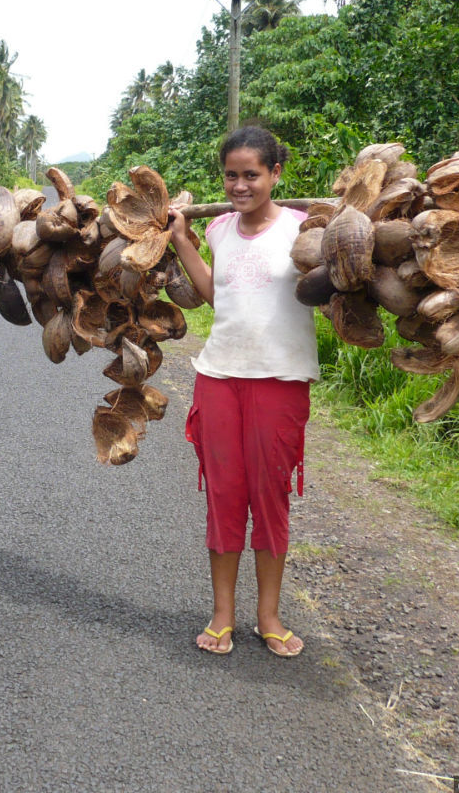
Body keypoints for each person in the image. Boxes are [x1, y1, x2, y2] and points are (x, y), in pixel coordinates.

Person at [167, 125, 318, 659]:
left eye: (251, 175)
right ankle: (222, 614)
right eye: (231, 175)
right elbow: (216, 294)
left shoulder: (305, 230)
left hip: (281, 380)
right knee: (225, 497)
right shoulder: (219, 231)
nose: (239, 185)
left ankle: (269, 615)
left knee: (270, 497)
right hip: (220, 378)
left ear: (275, 174)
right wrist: (184, 239)